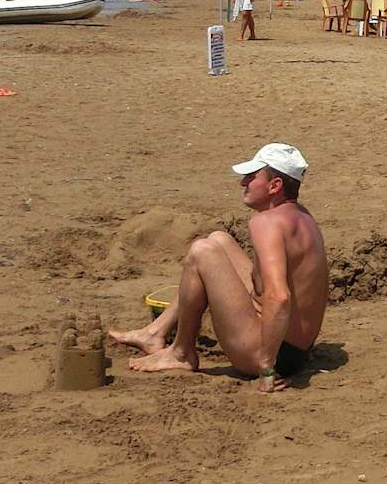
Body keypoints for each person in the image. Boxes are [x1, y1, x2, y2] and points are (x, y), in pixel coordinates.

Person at [109, 143, 328, 391]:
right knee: (219, 240)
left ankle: (181, 353)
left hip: (270, 354)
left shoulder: (266, 222)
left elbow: (279, 297)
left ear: (274, 186)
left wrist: (267, 367)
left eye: (251, 177)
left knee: (202, 251)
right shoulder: (302, 216)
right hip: (295, 350)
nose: (243, 183)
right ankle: (154, 333)